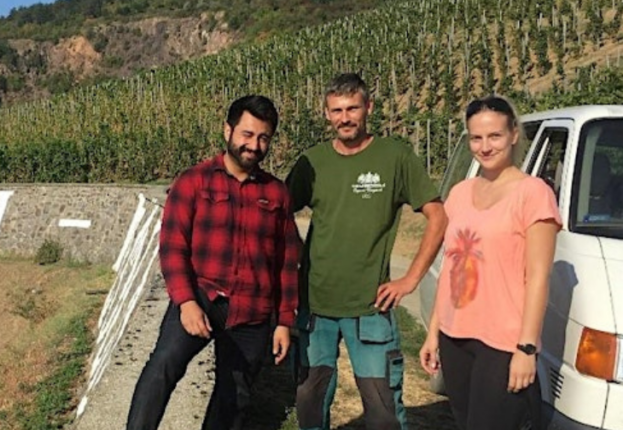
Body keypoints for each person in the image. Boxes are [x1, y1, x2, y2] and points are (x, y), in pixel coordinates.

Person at [126, 94, 302, 430]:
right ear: (228, 131)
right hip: (203, 297)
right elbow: (172, 246)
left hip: (253, 309)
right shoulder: (193, 181)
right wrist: (186, 302)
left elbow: (286, 261)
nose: (254, 145)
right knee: (162, 367)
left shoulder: (277, 193)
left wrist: (283, 321)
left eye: (264, 137)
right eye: (247, 135)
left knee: (233, 397)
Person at [285, 72, 447, 430]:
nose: (345, 117)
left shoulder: (395, 157)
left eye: (352, 108)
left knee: (384, 412)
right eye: (337, 110)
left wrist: (410, 279)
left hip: (371, 307)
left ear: (368, 107)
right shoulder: (312, 162)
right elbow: (279, 216)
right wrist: (292, 262)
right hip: (314, 308)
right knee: (310, 406)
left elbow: (438, 216)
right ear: (327, 114)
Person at [419, 96, 560, 430]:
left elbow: (539, 277)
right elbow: (451, 268)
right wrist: (434, 333)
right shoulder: (460, 193)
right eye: (476, 138)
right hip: (455, 337)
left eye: (494, 136)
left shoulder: (534, 194)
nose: (484, 146)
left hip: (503, 343)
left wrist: (526, 348)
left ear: (513, 134)